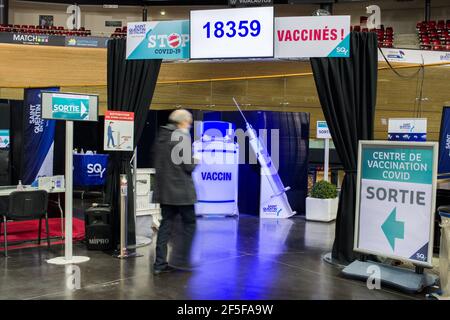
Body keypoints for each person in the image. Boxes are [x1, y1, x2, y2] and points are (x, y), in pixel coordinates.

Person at [153, 109, 197, 275]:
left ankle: (159, 265)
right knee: (190, 224)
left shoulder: (161, 137)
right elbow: (188, 166)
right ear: (183, 122)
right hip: (182, 193)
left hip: (165, 192)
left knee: (165, 226)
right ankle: (182, 260)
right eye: (189, 122)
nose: (189, 126)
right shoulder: (182, 137)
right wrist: (196, 160)